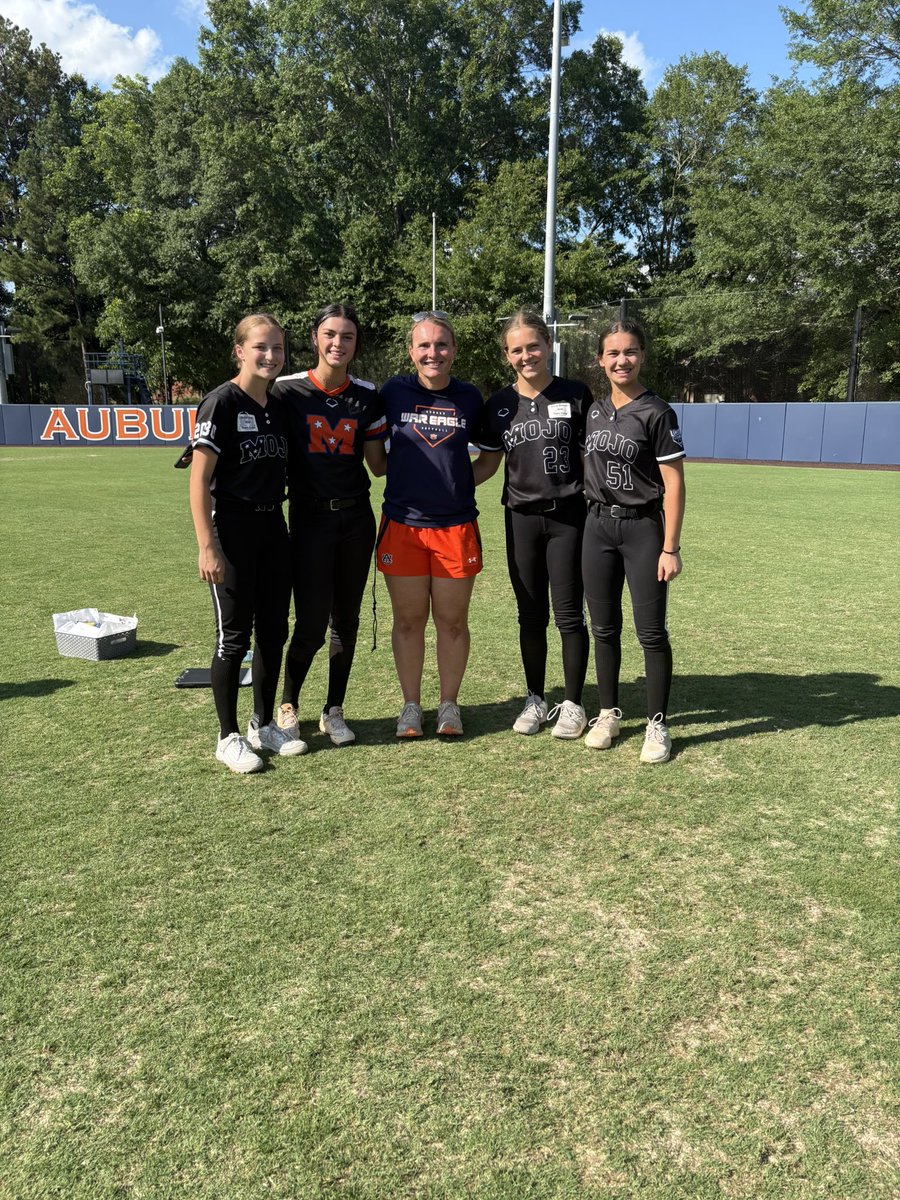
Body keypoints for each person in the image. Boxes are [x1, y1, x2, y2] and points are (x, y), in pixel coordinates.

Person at [366, 312, 496, 738]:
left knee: (453, 622)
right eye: (424, 345)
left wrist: (454, 483)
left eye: (441, 345)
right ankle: (409, 707)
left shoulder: (470, 397)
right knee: (407, 621)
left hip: (455, 527)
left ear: (454, 350)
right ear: (411, 351)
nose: (433, 353)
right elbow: (376, 459)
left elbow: (491, 458)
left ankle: (449, 706)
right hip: (402, 525)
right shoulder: (392, 392)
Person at [187, 313, 303, 773]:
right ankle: (227, 736)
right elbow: (199, 480)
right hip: (230, 529)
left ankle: (262, 724)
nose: (270, 356)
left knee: (274, 631)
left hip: (273, 527)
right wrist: (206, 545)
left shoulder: (277, 407)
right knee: (233, 639)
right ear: (239, 350)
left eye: (277, 348)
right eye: (260, 347)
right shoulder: (221, 402)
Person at [272, 304, 385, 747]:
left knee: (348, 620)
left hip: (356, 517)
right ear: (316, 338)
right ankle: (288, 703)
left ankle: (333, 709)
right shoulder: (287, 391)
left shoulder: (367, 395)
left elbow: (378, 466)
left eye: (348, 336)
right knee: (311, 623)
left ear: (357, 344)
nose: (339, 343)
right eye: (331, 335)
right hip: (310, 517)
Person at [478, 309, 593, 738]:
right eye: (516, 349)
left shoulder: (577, 394)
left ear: (547, 346)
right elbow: (487, 464)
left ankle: (574, 704)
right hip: (521, 518)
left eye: (533, 346)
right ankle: (535, 698)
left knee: (568, 616)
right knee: (530, 614)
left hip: (567, 518)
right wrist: (441, 484)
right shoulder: (499, 404)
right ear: (507, 355)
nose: (526, 355)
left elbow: (593, 456)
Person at [581, 319, 686, 763]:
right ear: (600, 360)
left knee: (651, 632)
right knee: (603, 628)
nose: (621, 360)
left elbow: (675, 484)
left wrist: (671, 547)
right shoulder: (595, 410)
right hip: (597, 527)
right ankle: (608, 712)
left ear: (642, 355)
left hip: (643, 528)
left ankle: (657, 724)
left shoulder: (657, 411)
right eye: (613, 353)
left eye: (630, 352)